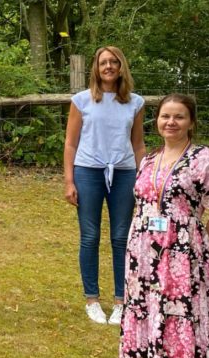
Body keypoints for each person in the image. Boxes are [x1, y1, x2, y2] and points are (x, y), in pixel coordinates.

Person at [119, 94, 209, 358]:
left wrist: (200, 246)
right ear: (157, 121)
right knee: (151, 312)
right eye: (165, 116)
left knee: (180, 318)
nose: (171, 122)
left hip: (181, 258)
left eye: (179, 117)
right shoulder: (148, 159)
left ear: (191, 122)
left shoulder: (203, 159)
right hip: (143, 257)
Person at [63, 46, 146, 324]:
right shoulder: (82, 100)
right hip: (88, 171)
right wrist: (69, 180)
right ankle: (92, 299)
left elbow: (138, 143)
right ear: (96, 69)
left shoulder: (135, 103)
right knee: (90, 236)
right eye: (103, 63)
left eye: (113, 62)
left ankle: (122, 301)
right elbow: (71, 143)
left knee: (122, 237)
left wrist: (144, 177)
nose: (108, 67)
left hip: (124, 173)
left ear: (121, 67)